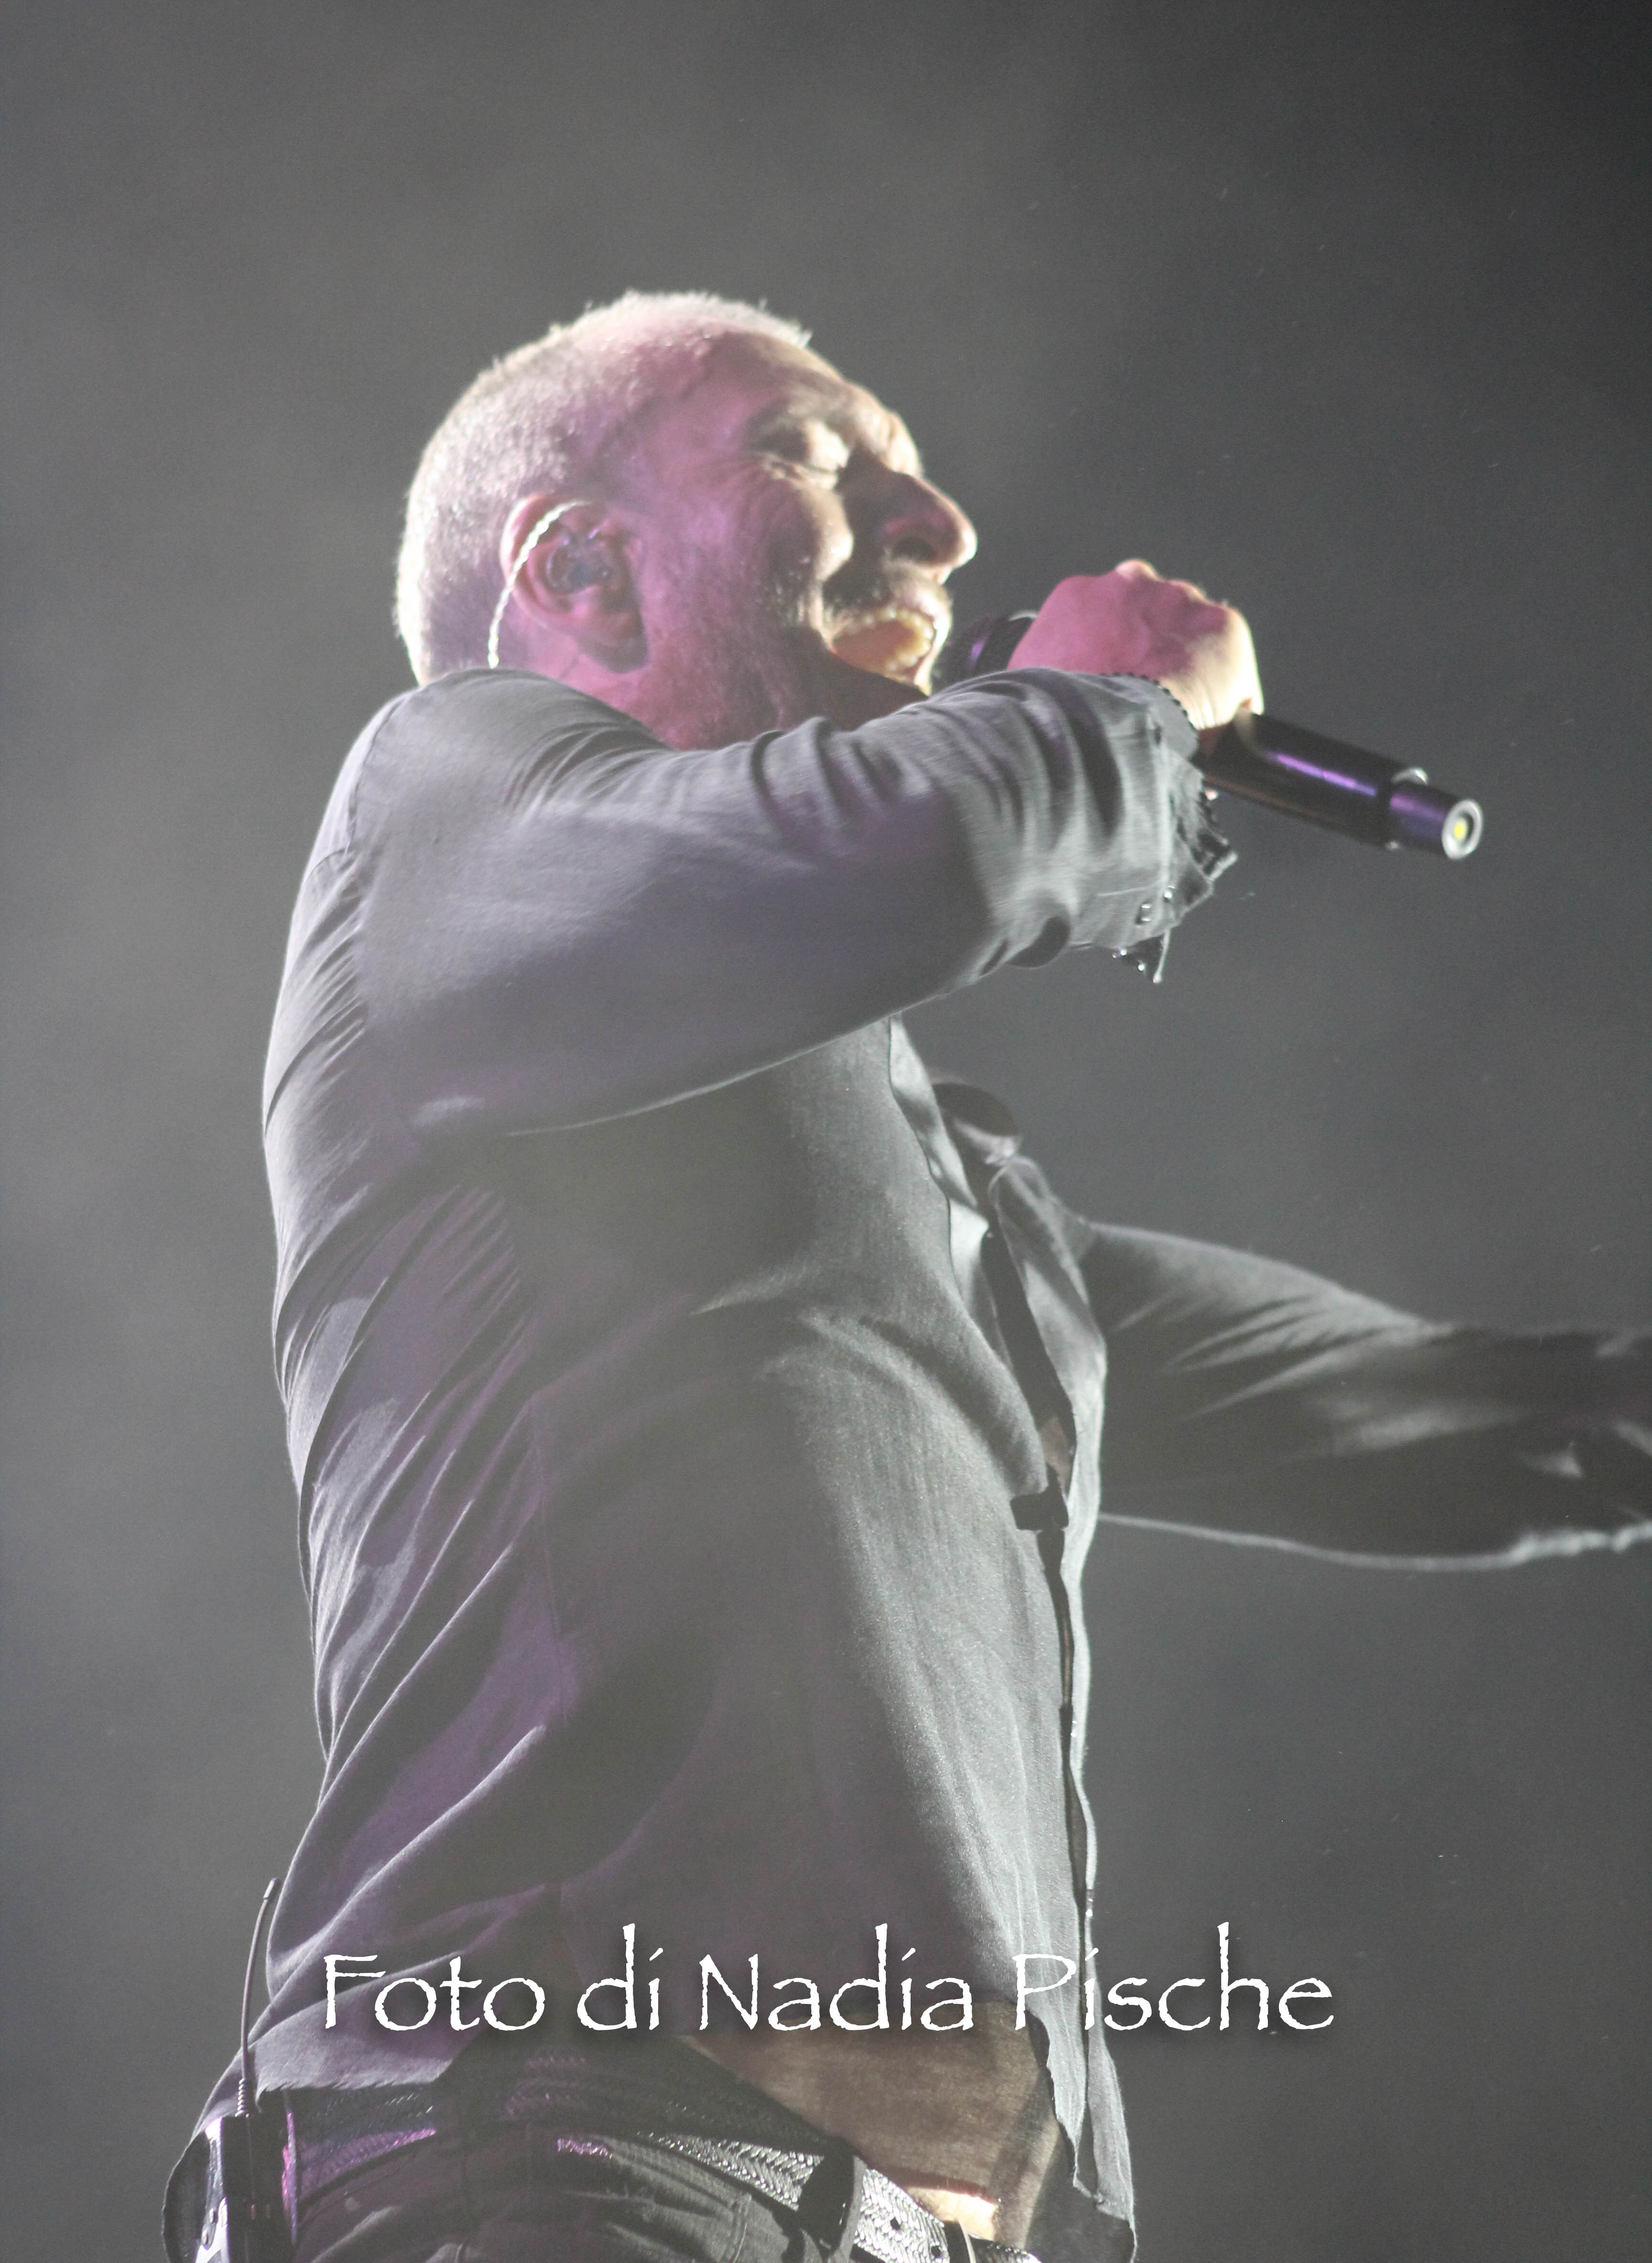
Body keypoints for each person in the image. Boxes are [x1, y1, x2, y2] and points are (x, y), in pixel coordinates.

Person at [165, 294, 1650, 2263]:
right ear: (582, 567)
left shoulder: (959, 1222)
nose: (940, 525)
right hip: (561, 2152)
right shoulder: (437, 807)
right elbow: (933, 846)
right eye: (811, 451)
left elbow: (1461, 1422)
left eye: (915, 473)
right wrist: (1121, 708)